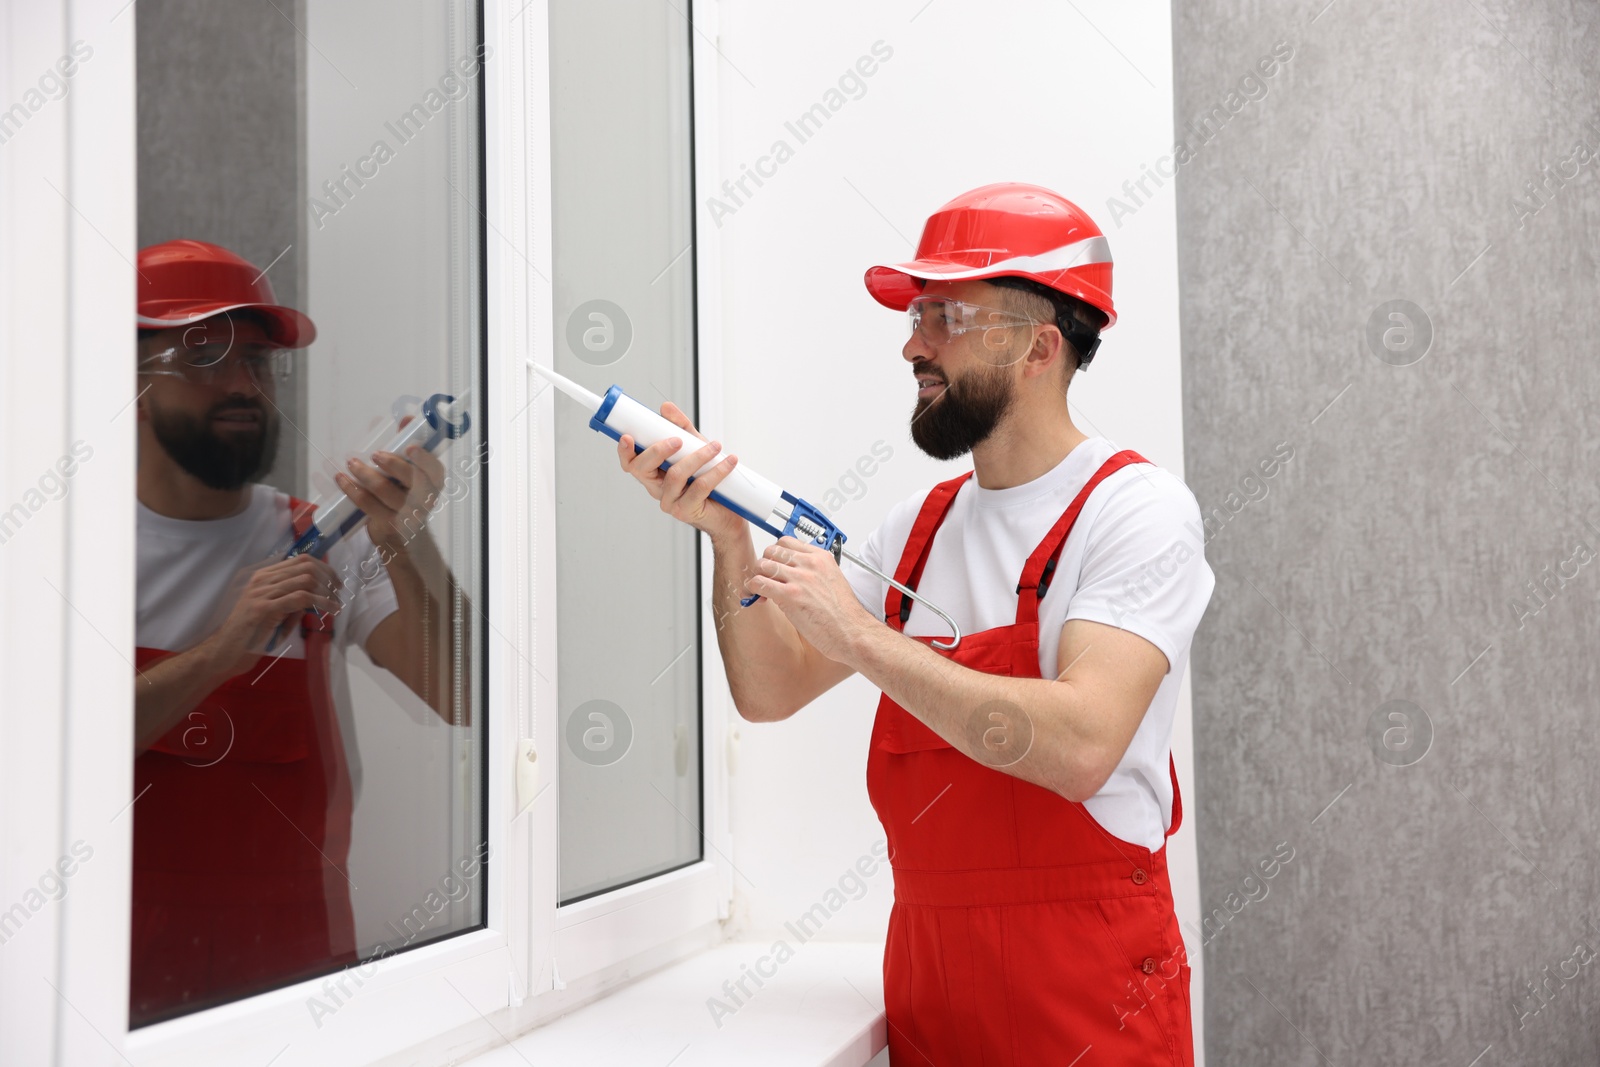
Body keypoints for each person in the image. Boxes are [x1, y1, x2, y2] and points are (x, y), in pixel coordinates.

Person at [615, 183, 1213, 1064]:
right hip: (933, 994)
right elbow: (770, 688)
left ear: (1038, 346)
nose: (912, 345)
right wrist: (727, 535)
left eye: (944, 317)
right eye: (916, 315)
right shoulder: (919, 527)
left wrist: (859, 635)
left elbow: (1084, 744)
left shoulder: (1135, 511)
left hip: (1091, 1000)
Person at [130, 238, 471, 1025]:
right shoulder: (67, 556)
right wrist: (223, 650)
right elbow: (49, 760)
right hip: (112, 1002)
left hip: (300, 996)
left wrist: (402, 533)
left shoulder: (329, 536)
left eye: (258, 361)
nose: (244, 384)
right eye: (206, 355)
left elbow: (461, 693)